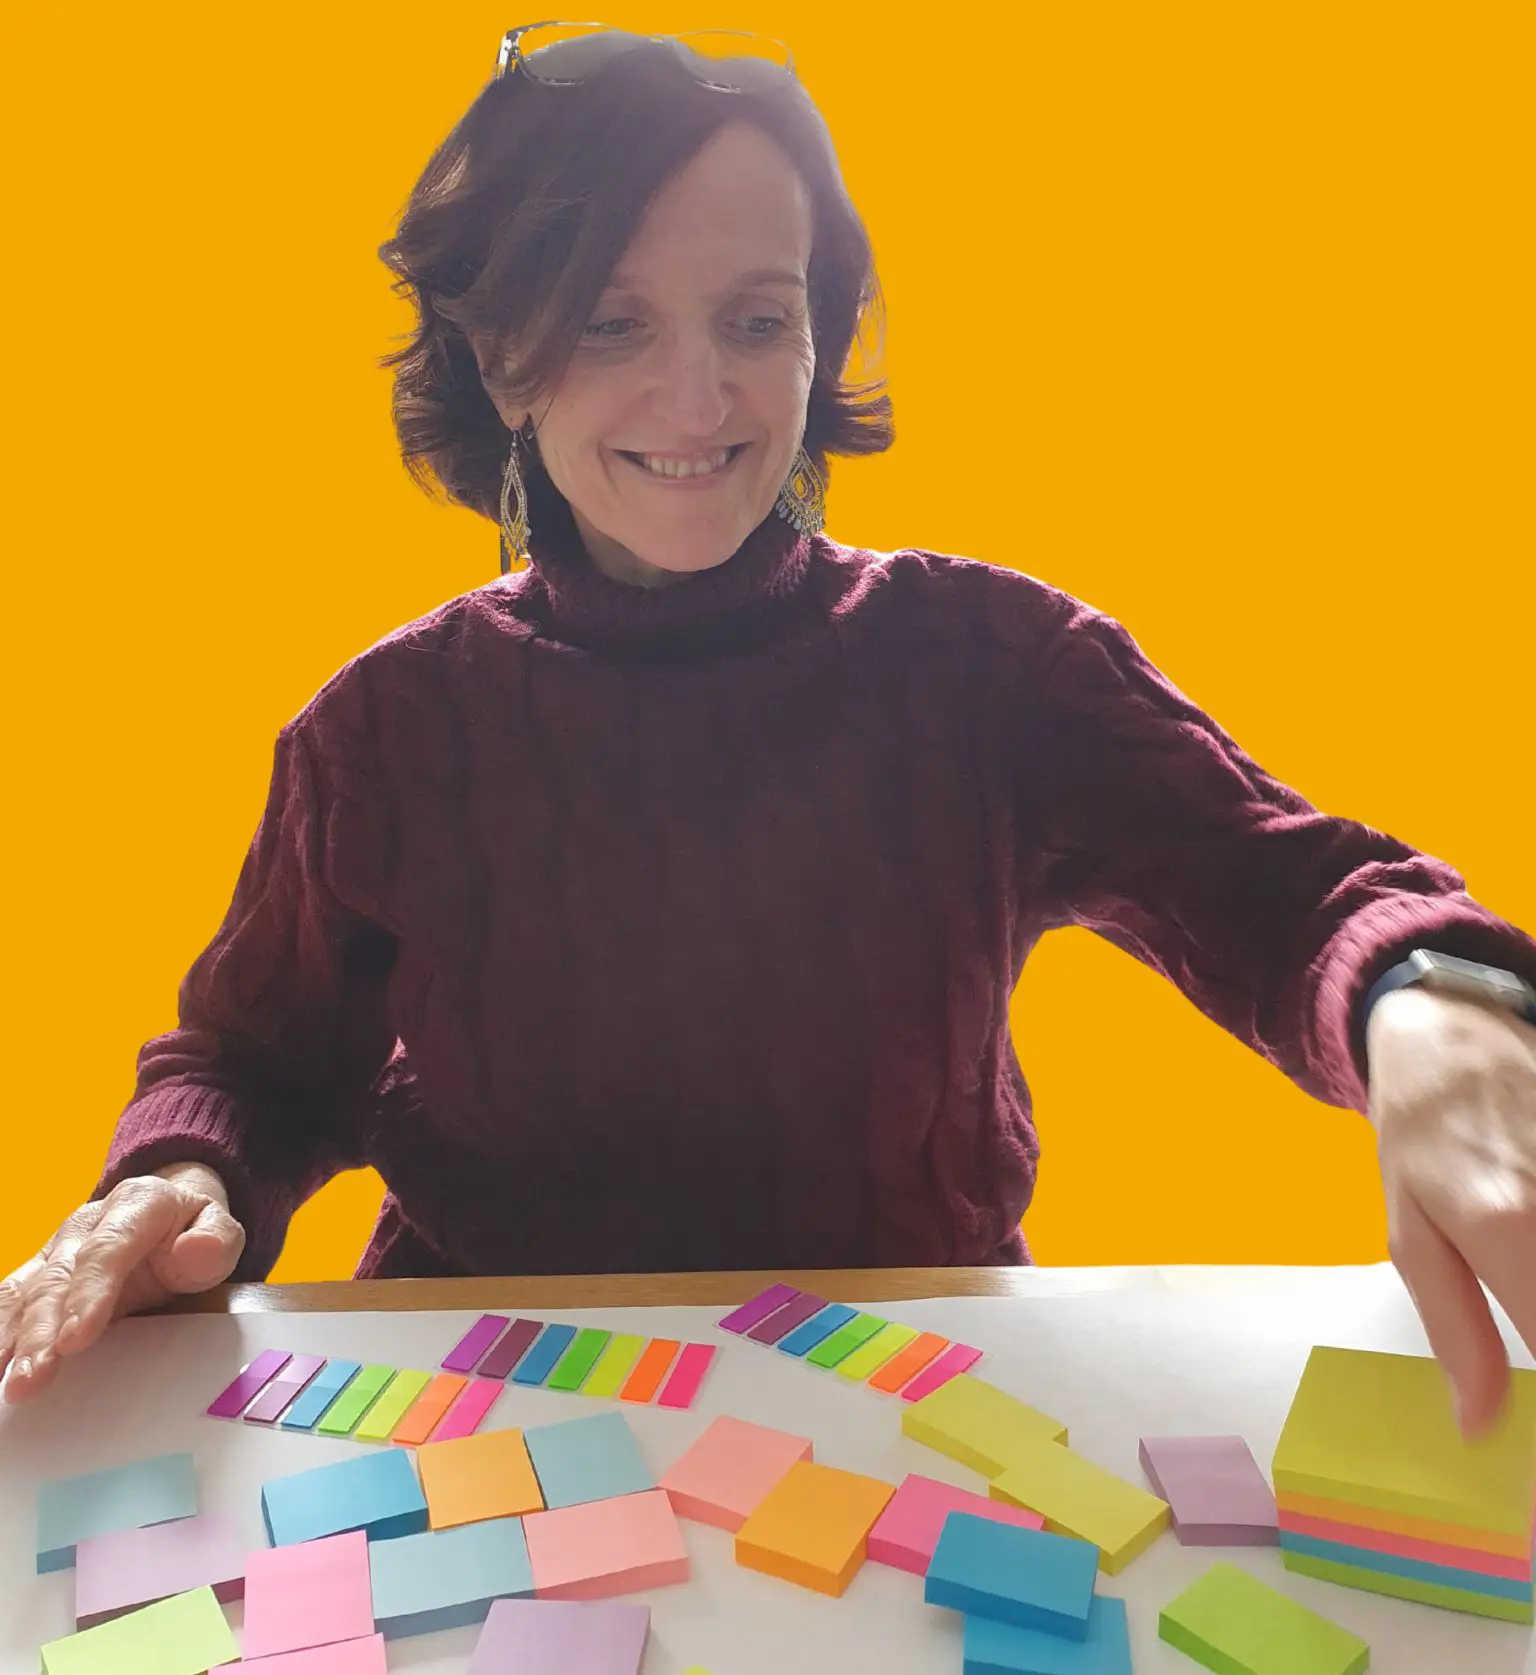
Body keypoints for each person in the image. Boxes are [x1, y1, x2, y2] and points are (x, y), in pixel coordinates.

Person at [5, 25, 1536, 1435]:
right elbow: (252, 1061)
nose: (699, 393)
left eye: (758, 316)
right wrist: (177, 1177)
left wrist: (1432, 1001)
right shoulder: (381, 731)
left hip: (913, 1391)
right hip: (489, 1404)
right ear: (500, 360)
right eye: (611, 322)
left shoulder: (989, 663)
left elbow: (1299, 894)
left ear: (823, 331)